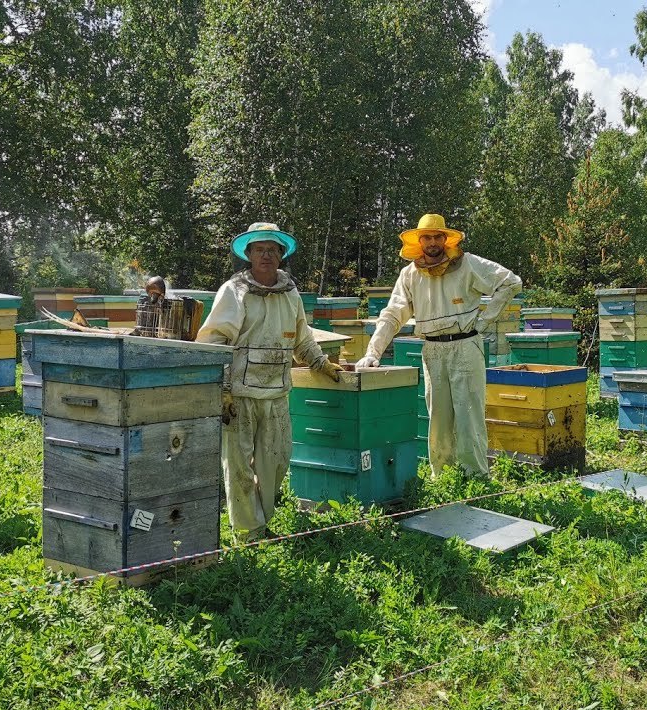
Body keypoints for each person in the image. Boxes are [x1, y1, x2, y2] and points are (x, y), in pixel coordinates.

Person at [197, 222, 340, 542]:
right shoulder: (234, 291)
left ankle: (265, 520)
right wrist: (223, 389)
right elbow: (213, 342)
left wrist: (321, 363)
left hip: (277, 392)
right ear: (248, 254)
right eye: (260, 249)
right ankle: (249, 533)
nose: (266, 255)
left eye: (273, 249)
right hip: (240, 394)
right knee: (239, 468)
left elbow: (303, 339)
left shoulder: (290, 294)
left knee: (276, 462)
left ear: (281, 255)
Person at [356, 213, 522, 477]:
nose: (432, 242)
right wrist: (372, 352)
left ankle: (476, 476)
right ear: (419, 242)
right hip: (432, 349)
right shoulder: (410, 274)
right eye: (427, 238)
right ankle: (442, 477)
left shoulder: (468, 264)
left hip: (466, 345)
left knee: (470, 415)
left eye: (437, 237)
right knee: (438, 418)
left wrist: (484, 320)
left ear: (445, 240)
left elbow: (511, 282)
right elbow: (392, 314)